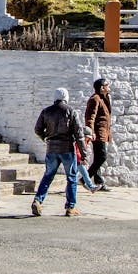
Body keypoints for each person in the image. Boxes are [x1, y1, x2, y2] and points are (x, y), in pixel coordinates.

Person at [31, 88, 85, 217]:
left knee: (48, 176)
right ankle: (70, 207)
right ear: (66, 97)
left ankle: (38, 200)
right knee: (71, 178)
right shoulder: (71, 112)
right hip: (67, 148)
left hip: (51, 148)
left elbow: (37, 129)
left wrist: (45, 137)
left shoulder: (46, 111)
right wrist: (83, 153)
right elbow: (79, 134)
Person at [84, 78, 113, 191]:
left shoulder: (104, 98)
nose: (109, 86)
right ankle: (85, 179)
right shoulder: (95, 99)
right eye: (107, 85)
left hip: (104, 132)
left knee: (98, 158)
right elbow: (90, 117)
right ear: (102, 88)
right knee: (102, 157)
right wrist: (91, 131)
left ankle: (99, 182)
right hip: (98, 133)